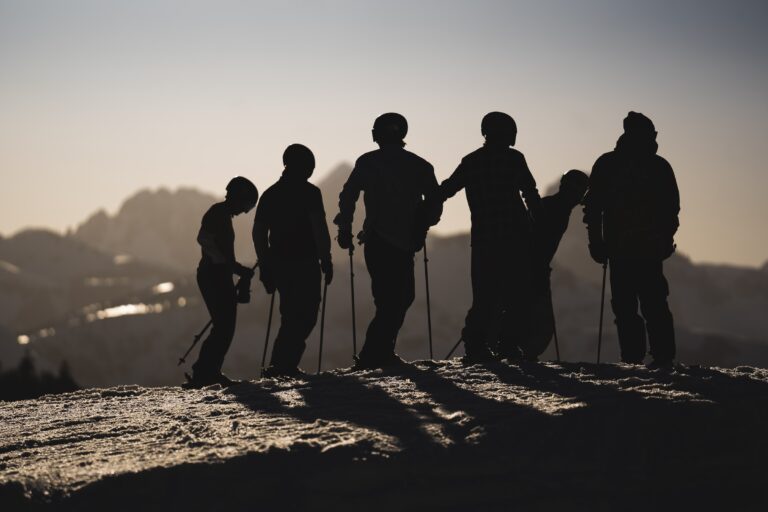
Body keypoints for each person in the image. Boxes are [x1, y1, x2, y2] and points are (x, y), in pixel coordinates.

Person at [334, 113, 442, 369]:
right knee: (401, 298)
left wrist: (345, 228)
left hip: (376, 240)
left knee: (388, 299)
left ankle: (376, 353)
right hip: (405, 242)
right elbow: (435, 201)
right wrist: (423, 227)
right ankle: (377, 353)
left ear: (377, 135)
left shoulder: (368, 162)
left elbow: (348, 195)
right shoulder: (420, 165)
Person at [439, 112, 542, 363]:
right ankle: (508, 346)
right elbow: (530, 192)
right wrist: (540, 222)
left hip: (484, 239)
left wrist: (423, 211)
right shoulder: (514, 159)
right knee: (516, 294)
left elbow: (448, 188)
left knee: (484, 296)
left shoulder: (472, 161)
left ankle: (476, 347)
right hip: (516, 237)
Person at [583, 112, 679, 368]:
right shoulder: (659, 166)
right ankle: (662, 358)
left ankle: (633, 358)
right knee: (654, 304)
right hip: (647, 249)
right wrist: (664, 237)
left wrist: (596, 242)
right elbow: (671, 209)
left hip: (620, 249)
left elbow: (593, 208)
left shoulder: (608, 164)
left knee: (627, 308)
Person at [253, 144, 333, 378]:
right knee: (306, 314)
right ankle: (282, 366)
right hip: (305, 262)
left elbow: (258, 233)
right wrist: (325, 258)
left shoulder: (270, 194)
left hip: (279, 263)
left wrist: (265, 265)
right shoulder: (310, 193)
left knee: (290, 313)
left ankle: (281, 365)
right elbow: (319, 228)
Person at [507, 170, 589, 361]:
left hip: (526, 266)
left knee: (523, 314)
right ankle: (521, 353)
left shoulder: (551, 204)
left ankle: (515, 351)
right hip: (532, 268)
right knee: (537, 320)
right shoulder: (556, 208)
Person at [186, 176, 258, 388]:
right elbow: (204, 239)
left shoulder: (221, 214)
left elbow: (220, 252)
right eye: (245, 206)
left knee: (223, 326)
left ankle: (207, 371)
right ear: (238, 198)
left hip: (216, 274)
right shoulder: (218, 214)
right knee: (224, 326)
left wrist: (234, 268)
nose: (244, 211)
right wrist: (230, 266)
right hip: (213, 275)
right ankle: (205, 372)